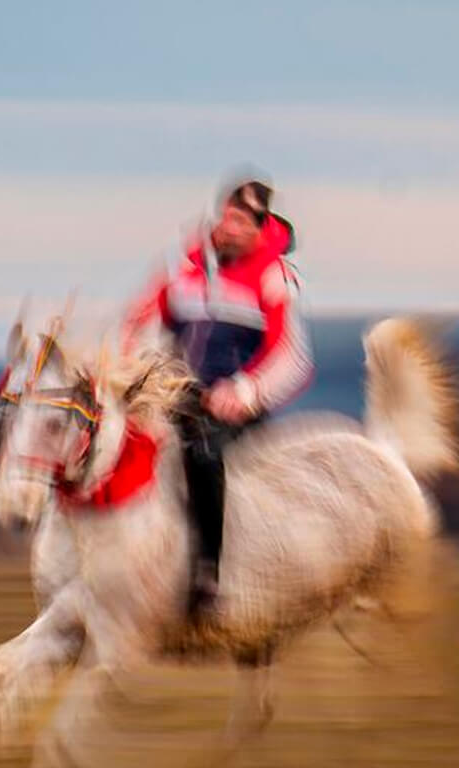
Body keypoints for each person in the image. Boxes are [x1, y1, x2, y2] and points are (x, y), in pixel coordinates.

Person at [123, 172, 313, 618]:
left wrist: (244, 391)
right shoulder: (184, 267)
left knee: (204, 454)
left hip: (234, 403)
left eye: (244, 222)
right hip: (179, 392)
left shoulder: (274, 278)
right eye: (229, 216)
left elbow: (292, 357)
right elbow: (147, 320)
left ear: (261, 228)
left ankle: (208, 575)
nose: (232, 228)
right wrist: (135, 359)